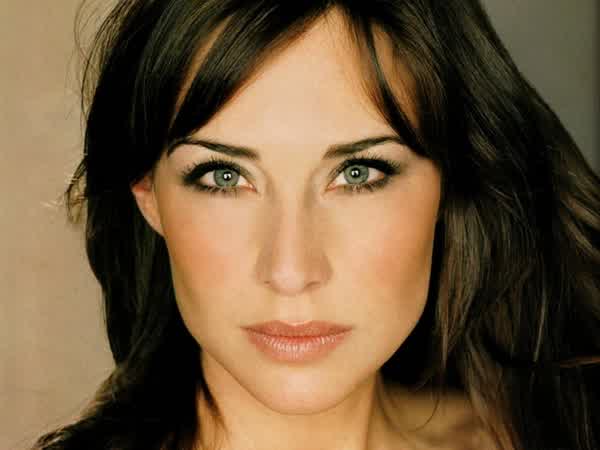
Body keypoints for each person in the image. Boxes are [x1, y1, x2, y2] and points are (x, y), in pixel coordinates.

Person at [32, 1, 599, 449]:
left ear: (451, 182)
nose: (291, 270)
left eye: (357, 173)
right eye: (225, 177)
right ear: (148, 195)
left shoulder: (562, 430)